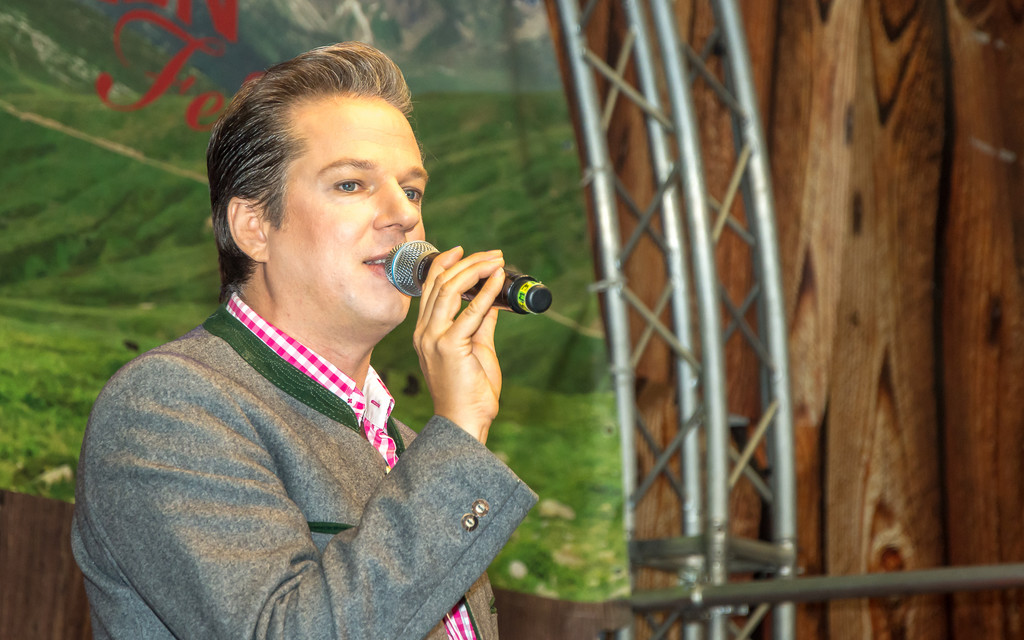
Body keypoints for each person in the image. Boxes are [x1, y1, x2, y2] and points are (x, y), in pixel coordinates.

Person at [71, 42, 537, 640]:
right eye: (351, 184)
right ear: (255, 228)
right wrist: (461, 433)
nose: (403, 214)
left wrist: (454, 437)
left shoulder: (410, 446)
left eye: (413, 190)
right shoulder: (167, 406)